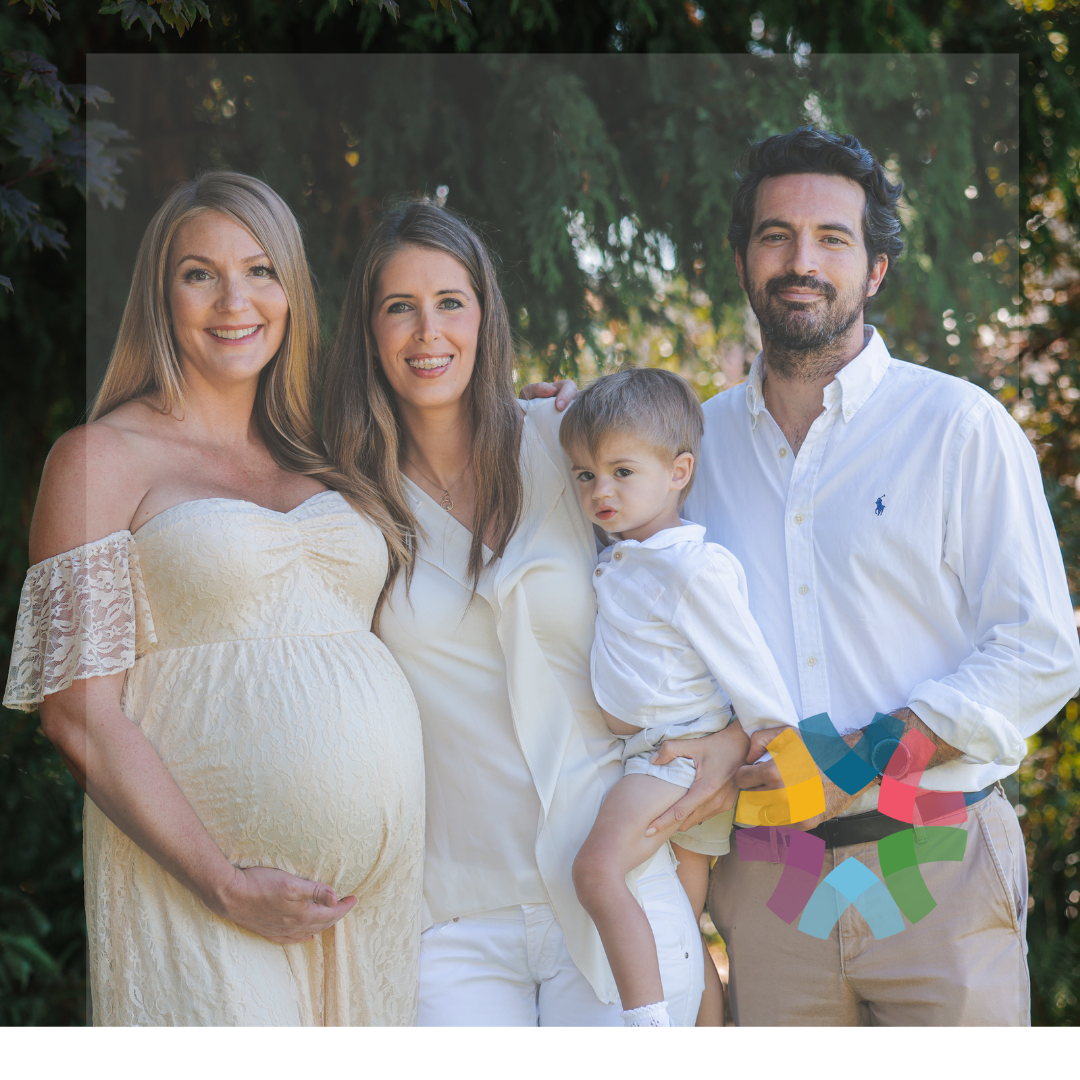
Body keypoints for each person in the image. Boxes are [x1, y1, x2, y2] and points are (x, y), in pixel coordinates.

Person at [527, 127, 1080, 1025]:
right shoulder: (685, 453)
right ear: (744, 260)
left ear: (874, 271)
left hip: (931, 848)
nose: (801, 260)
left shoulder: (956, 427)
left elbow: (1041, 650)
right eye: (776, 235)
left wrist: (860, 757)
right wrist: (537, 422)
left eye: (832, 238)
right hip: (772, 873)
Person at [2, 172, 426, 1025]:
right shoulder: (101, 459)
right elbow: (77, 714)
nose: (235, 299)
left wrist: (538, 416)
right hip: (196, 894)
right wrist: (226, 886)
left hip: (375, 905)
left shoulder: (333, 455)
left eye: (261, 270)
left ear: (292, 291)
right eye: (200, 273)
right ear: (162, 295)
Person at [321, 200, 751, 1026]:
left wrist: (730, 741)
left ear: (484, 315)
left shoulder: (569, 443)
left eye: (450, 302)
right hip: (452, 916)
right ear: (367, 331)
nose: (427, 332)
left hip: (615, 885)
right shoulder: (348, 501)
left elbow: (692, 593)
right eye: (398, 307)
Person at [560, 367, 800, 1026]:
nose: (600, 490)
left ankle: (646, 1026)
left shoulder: (690, 567)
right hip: (660, 756)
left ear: (679, 471)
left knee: (595, 871)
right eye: (585, 475)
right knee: (688, 934)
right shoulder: (625, 557)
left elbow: (754, 674)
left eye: (621, 472)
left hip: (672, 760)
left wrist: (790, 769)